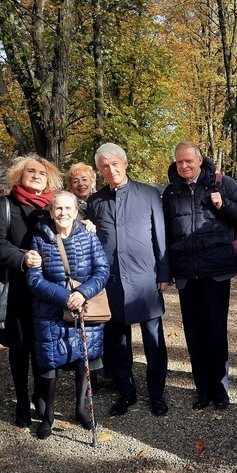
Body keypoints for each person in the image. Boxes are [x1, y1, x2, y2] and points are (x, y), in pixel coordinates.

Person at [162, 141, 237, 410]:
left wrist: (224, 204)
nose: (184, 166)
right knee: (194, 334)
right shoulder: (171, 192)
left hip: (216, 271)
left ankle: (220, 388)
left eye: (189, 161)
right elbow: (165, 233)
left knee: (215, 332)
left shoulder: (222, 183)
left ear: (200, 160)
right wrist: (167, 271)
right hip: (186, 275)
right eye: (179, 162)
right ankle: (203, 389)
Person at [86, 143, 170, 417]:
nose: (111, 170)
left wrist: (163, 272)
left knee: (153, 342)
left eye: (114, 164)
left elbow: (160, 235)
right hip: (111, 282)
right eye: (104, 167)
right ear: (100, 171)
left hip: (144, 279)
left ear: (125, 163)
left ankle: (157, 393)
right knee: (118, 343)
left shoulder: (148, 194)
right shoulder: (96, 201)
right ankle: (126, 391)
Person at [0, 155, 64, 427]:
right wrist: (22, 258)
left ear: (49, 178)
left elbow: (71, 230)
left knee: (46, 344)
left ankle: (41, 397)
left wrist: (85, 225)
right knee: (20, 348)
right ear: (19, 176)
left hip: (49, 288)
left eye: (41, 172)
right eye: (30, 171)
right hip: (18, 288)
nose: (35, 175)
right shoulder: (5, 205)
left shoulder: (54, 206)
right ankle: (21, 401)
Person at [26, 191, 109, 439]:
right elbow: (34, 279)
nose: (63, 213)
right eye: (58, 208)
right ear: (51, 212)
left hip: (85, 310)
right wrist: (64, 297)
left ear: (76, 211)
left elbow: (102, 270)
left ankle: (81, 408)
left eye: (67, 208)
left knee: (84, 362)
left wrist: (83, 293)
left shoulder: (89, 237)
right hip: (49, 314)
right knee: (50, 365)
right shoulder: (39, 239)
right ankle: (48, 416)